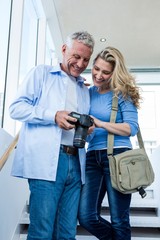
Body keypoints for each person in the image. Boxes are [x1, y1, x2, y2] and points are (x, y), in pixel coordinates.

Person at [9, 31, 95, 240]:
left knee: (67, 233)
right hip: (47, 162)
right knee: (42, 232)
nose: (81, 63)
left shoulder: (83, 89)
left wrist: (89, 131)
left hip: (75, 162)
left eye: (86, 59)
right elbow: (16, 108)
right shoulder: (42, 74)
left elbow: (84, 131)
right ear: (64, 50)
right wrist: (53, 115)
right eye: (76, 56)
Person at [78, 46, 141, 240]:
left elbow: (132, 128)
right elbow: (89, 134)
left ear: (114, 73)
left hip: (119, 158)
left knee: (120, 220)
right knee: (86, 216)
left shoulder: (121, 94)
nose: (98, 75)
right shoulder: (88, 93)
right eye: (96, 68)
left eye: (105, 72)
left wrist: (101, 123)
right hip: (92, 158)